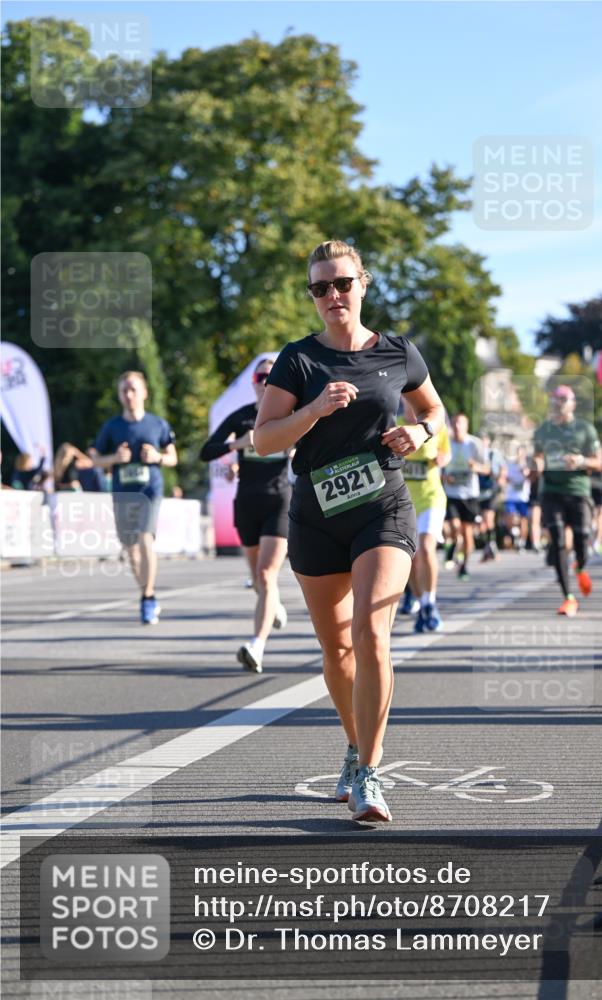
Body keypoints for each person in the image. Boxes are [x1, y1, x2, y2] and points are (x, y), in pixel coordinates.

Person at [253, 240, 445, 823]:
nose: (332, 296)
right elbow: (264, 439)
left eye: (341, 284)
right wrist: (312, 411)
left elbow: (435, 412)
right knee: (336, 649)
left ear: (363, 283)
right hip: (316, 512)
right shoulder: (298, 360)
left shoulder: (397, 351)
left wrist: (422, 435)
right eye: (320, 288)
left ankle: (369, 773)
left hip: (382, 506)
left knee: (371, 632)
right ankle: (354, 744)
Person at [200, 357, 291, 674]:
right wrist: (237, 444)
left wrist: (294, 446)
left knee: (267, 575)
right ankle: (274, 604)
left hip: (279, 501)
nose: (266, 382)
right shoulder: (240, 418)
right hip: (247, 503)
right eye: (262, 376)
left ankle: (257, 645)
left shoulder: (289, 416)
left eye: (273, 376)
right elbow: (206, 451)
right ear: (254, 382)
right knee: (258, 580)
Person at [91, 371, 177, 625]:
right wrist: (115, 459)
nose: (128, 395)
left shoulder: (158, 424)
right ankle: (146, 592)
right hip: (122, 493)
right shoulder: (112, 426)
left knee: (144, 538)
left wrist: (158, 458)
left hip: (150, 491)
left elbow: (173, 457)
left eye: (133, 390)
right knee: (131, 549)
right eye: (123, 391)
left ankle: (148, 598)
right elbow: (95, 460)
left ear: (144, 393)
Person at [533, 385, 602, 617]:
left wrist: (581, 460)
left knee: (582, 540)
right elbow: (538, 457)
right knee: (558, 539)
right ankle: (568, 597)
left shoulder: (585, 429)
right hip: (551, 491)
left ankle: (580, 566)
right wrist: (536, 465)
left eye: (564, 399)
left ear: (572, 403)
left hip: (578, 491)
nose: (559, 402)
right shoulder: (543, 430)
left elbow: (598, 462)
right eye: (556, 398)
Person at [399, 399, 450, 632]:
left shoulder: (434, 425)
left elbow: (445, 453)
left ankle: (430, 602)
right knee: (411, 558)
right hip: (404, 501)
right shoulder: (394, 425)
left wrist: (441, 460)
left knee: (427, 548)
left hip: (431, 497)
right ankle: (420, 602)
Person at [442, 414, 488, 580]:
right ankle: (453, 544)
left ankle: (464, 566)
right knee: (454, 526)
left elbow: (487, 468)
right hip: (452, 493)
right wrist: (444, 478)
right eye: (454, 423)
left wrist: (476, 466)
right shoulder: (446, 442)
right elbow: (438, 465)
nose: (457, 426)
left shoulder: (474, 443)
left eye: (460, 423)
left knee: (468, 535)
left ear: (466, 426)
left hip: (470, 494)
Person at [477, 433, 506, 562]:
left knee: (489, 519)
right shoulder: (475, 454)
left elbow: (503, 468)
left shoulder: (494, 454)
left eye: (484, 441)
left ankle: (492, 547)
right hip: (477, 491)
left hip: (491, 489)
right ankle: (488, 547)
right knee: (481, 524)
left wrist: (501, 478)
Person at [503, 445, 531, 551]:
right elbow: (505, 477)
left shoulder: (527, 465)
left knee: (523, 520)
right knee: (510, 516)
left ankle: (522, 542)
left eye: (521, 453)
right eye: (518, 452)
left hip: (523, 497)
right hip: (511, 496)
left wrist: (525, 472)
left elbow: (531, 477)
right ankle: (514, 531)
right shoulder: (510, 465)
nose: (519, 455)